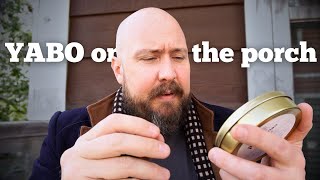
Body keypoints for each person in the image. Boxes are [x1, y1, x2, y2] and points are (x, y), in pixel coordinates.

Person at [30, 7, 313, 180]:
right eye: (150, 58)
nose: (169, 72)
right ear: (119, 69)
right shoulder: (65, 132)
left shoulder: (233, 132)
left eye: (178, 57)